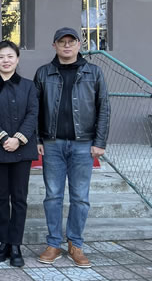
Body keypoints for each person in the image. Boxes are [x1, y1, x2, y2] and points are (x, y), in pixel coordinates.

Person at [35, 28, 110, 268]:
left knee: (80, 197)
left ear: (79, 44)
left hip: (83, 144)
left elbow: (104, 107)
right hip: (52, 143)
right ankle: (53, 244)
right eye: (62, 42)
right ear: (54, 45)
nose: (67, 46)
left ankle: (75, 244)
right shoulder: (44, 73)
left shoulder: (93, 72)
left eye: (71, 42)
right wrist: (37, 139)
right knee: (53, 196)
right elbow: (35, 108)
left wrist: (100, 142)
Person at [0, 41, 38, 267]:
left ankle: (16, 245)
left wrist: (18, 139)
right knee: (1, 198)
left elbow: (33, 114)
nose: (5, 60)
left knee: (19, 198)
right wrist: (4, 138)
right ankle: (4, 242)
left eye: (10, 56)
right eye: (1, 57)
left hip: (22, 150)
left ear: (17, 59)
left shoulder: (29, 86)